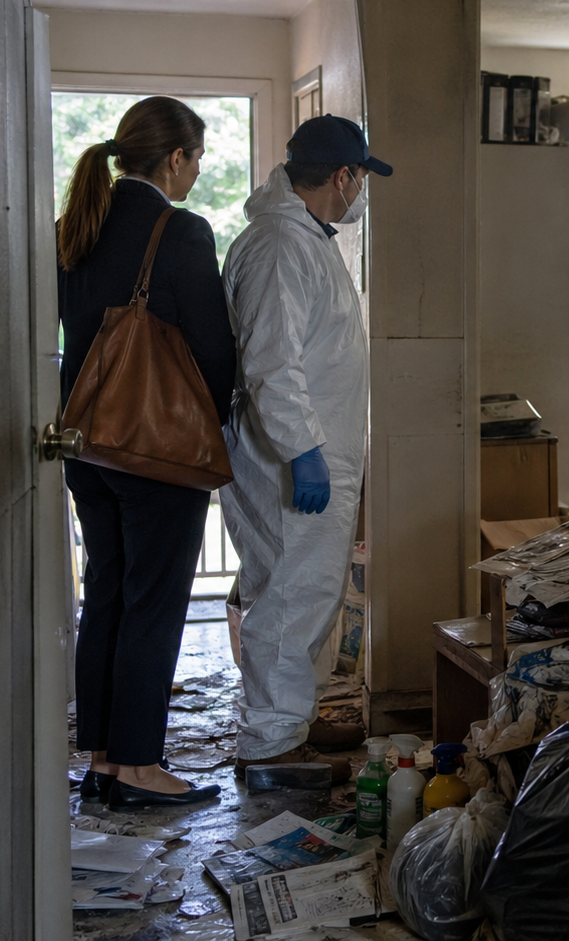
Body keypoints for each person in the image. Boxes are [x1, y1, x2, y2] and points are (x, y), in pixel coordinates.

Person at [58, 96, 235, 808]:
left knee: (106, 594)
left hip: (83, 443)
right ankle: (139, 767)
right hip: (155, 451)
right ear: (175, 158)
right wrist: (206, 427)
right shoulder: (181, 230)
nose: (197, 173)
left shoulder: (77, 225)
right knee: (154, 604)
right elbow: (213, 349)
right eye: (197, 159)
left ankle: (103, 759)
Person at [221, 115, 391, 782]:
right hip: (289, 459)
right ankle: (270, 744)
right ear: (343, 176)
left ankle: (291, 717)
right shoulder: (278, 245)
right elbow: (272, 362)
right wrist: (303, 451)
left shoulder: (303, 238)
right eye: (361, 179)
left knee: (307, 593)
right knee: (290, 597)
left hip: (311, 451)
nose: (361, 193)